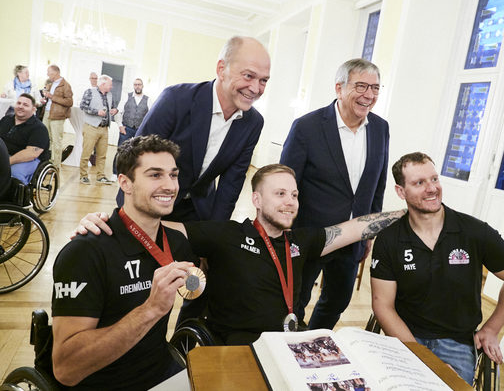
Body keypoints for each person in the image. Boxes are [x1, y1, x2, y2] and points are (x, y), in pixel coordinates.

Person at [76, 163, 405, 346]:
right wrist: (107, 219)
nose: (290, 201)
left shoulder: (304, 240)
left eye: (293, 194)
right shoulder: (226, 235)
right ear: (257, 200)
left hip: (291, 344)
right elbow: (157, 227)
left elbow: (357, 227)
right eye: (279, 194)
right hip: (238, 348)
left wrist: (410, 212)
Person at [131, 35, 270, 325]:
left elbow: (232, 183)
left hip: (198, 209)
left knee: (201, 281)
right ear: (221, 69)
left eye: (264, 81)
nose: (256, 88)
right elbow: (135, 161)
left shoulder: (253, 122)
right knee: (144, 282)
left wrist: (214, 236)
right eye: (249, 76)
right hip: (150, 202)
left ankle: (184, 342)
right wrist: (131, 221)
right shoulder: (177, 99)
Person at [51, 135, 198, 389]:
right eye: (155, 175)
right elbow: (66, 369)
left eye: (173, 175)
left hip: (163, 373)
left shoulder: (177, 244)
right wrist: (151, 309)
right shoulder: (85, 252)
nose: (170, 186)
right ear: (125, 183)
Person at [370, 152, 504, 385]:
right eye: (419, 183)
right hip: (405, 338)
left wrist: (492, 329)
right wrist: (423, 358)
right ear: (401, 192)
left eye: (434, 179)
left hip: (457, 344)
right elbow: (382, 305)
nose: (432, 188)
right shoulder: (389, 240)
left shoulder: (475, 232)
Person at [280, 58, 389, 330]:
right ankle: (291, 343)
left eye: (375, 88)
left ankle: (315, 340)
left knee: (338, 300)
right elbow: (285, 184)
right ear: (339, 88)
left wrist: (369, 231)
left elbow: (378, 184)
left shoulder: (380, 128)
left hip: (353, 236)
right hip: (310, 235)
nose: (369, 95)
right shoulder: (306, 127)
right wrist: (286, 233)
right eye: (361, 86)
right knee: (296, 301)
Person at [0, 94, 49, 184]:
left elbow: (31, 153)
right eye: (19, 103)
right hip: (5, 155)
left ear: (33, 109)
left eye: (25, 105)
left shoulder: (39, 128)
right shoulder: (6, 120)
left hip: (28, 159)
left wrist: (6, 162)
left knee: (12, 173)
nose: (20, 107)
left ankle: (15, 196)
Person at [79, 74, 118, 185]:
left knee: (102, 155)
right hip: (91, 127)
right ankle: (83, 176)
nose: (112, 86)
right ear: (103, 84)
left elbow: (113, 107)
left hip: (104, 129)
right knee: (86, 153)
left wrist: (114, 110)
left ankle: (100, 176)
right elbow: (83, 106)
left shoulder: (110, 95)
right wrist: (97, 112)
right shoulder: (90, 92)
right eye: (110, 84)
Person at [112, 78, 149, 178]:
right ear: (133, 86)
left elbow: (149, 116)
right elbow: (118, 112)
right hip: (126, 129)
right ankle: (115, 173)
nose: (137, 86)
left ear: (142, 86)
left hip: (139, 130)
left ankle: (133, 174)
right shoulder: (127, 97)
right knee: (121, 151)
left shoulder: (148, 99)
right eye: (136, 84)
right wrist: (120, 126)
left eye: (139, 84)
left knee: (138, 153)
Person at [41, 65, 73, 169]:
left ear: (55, 73)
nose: (47, 74)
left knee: (56, 140)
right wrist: (45, 98)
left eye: (49, 72)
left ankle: (56, 165)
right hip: (46, 113)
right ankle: (46, 162)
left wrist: (52, 97)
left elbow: (69, 102)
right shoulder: (50, 84)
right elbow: (49, 99)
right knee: (45, 139)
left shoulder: (66, 85)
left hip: (58, 116)